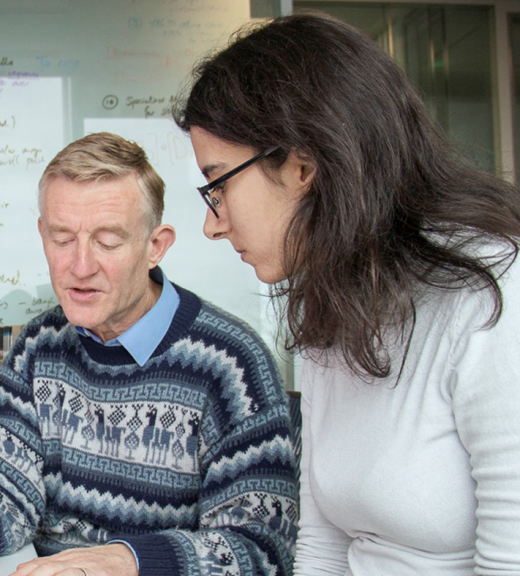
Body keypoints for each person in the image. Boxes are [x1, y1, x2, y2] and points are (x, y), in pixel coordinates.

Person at [176, 13, 520, 575]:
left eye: (218, 186)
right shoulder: (331, 303)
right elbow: (324, 545)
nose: (212, 225)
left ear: (303, 165)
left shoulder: (494, 295)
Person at [0, 132, 298, 576]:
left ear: (156, 245)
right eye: (62, 238)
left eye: (108, 241)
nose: (80, 266)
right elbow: (0, 473)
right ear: (42, 235)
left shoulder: (232, 365)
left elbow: (260, 550)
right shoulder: (39, 345)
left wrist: (127, 561)